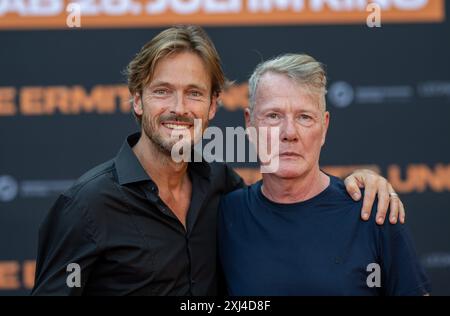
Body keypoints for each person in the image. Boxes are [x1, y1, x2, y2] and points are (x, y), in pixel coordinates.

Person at [32, 26, 404, 296]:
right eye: (163, 91)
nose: (178, 108)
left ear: (212, 106)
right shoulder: (86, 207)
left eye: (194, 93)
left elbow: (293, 202)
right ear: (137, 100)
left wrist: (362, 181)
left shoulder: (222, 187)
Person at [218, 53, 430, 296]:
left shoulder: (373, 211)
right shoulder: (226, 216)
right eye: (273, 116)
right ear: (249, 124)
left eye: (304, 117)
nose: (289, 132)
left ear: (325, 127)